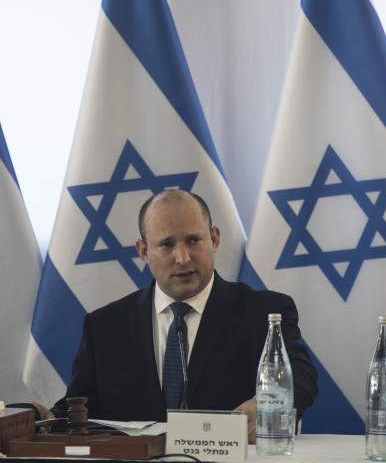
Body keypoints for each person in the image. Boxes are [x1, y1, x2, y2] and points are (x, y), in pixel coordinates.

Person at [44, 189, 318, 442]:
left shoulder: (263, 313)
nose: (183, 258)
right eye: (166, 245)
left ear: (214, 239)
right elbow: (78, 409)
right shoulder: (105, 327)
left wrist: (265, 403)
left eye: (193, 240)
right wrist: (35, 417)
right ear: (143, 251)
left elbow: (302, 377)